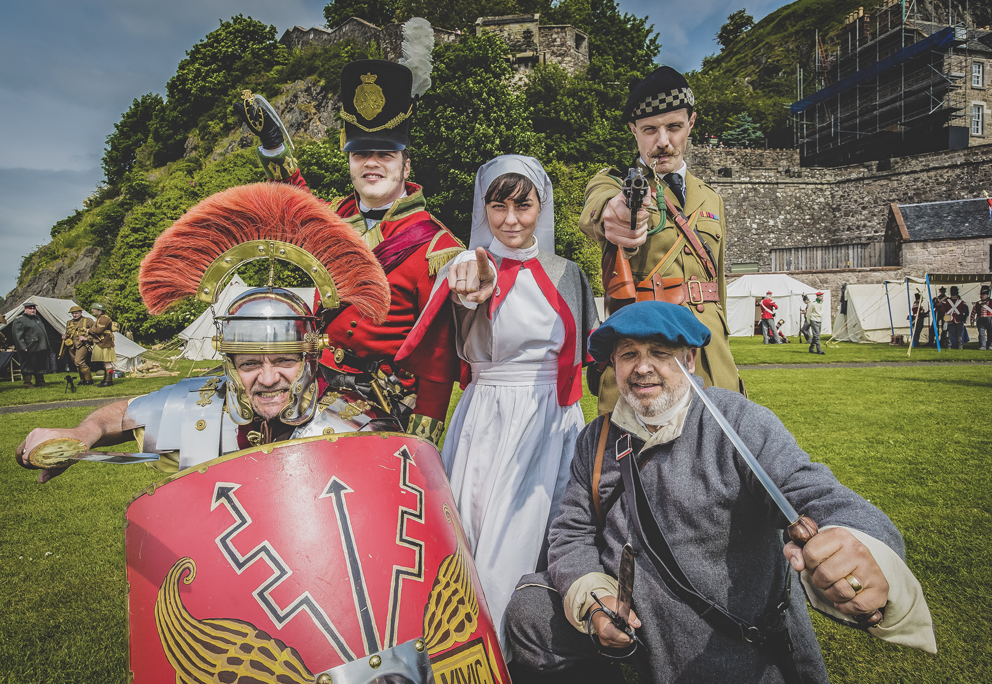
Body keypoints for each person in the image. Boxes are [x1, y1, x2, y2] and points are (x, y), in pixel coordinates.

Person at [504, 301, 936, 684]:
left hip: (728, 638)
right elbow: (570, 535)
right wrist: (597, 603)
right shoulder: (596, 440)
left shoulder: (739, 422)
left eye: (659, 352)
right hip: (637, 624)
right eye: (629, 354)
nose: (642, 367)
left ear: (689, 359)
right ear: (614, 367)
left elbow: (814, 490)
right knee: (530, 615)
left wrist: (862, 545)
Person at [16, 181, 391, 484]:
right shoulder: (204, 402)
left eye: (283, 360)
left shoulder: (357, 426)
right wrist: (83, 434)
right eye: (248, 363)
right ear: (227, 363)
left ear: (310, 357)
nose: (267, 378)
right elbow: (116, 416)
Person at [397, 156, 599, 649]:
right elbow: (468, 288)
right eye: (498, 205)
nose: (510, 219)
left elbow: (593, 348)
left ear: (541, 207)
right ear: (483, 208)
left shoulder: (568, 273)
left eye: (523, 205)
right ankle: (479, 649)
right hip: (491, 417)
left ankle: (545, 640)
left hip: (554, 419)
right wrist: (467, 278)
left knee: (554, 528)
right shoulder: (470, 267)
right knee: (486, 535)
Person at [234, 24, 462, 444]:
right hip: (315, 382)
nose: (371, 164)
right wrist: (273, 147)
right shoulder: (337, 218)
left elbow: (438, 359)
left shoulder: (438, 248)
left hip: (384, 404)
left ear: (406, 165)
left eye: (385, 154)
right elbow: (294, 199)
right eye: (361, 153)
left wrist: (420, 442)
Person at [578, 66, 741, 412]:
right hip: (648, 360)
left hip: (713, 360)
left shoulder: (710, 198)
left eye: (674, 127)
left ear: (691, 123)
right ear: (633, 131)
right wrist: (617, 212)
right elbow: (600, 209)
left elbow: (719, 286)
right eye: (650, 129)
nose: (663, 141)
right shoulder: (613, 184)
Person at [11, 301, 51, 389]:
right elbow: (17, 335)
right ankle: (27, 383)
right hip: (29, 346)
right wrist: (22, 347)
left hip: (40, 345)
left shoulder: (37, 318)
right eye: (30, 308)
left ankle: (40, 381)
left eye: (34, 308)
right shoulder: (20, 319)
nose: (33, 310)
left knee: (40, 364)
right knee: (28, 365)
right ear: (25, 309)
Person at [61, 304, 95, 385]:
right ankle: (82, 380)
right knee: (76, 363)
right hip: (71, 346)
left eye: (76, 313)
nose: (74, 315)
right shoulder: (69, 323)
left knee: (79, 361)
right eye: (73, 313)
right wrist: (65, 336)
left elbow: (95, 332)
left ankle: (89, 380)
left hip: (82, 344)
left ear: (81, 312)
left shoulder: (88, 320)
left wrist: (87, 338)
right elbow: (68, 333)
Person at [87, 303, 117, 387]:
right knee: (105, 363)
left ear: (99, 310)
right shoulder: (100, 318)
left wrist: (89, 331)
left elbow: (99, 330)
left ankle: (108, 380)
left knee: (107, 363)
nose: (92, 310)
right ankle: (106, 380)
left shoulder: (104, 319)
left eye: (94, 309)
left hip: (105, 343)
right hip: (103, 343)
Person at [970, 285, 992, 350]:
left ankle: (990, 345)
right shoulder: (977, 303)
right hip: (980, 319)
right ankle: (983, 346)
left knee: (990, 333)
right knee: (981, 334)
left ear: (987, 295)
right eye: (981, 294)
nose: (981, 296)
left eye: (983, 294)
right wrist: (972, 320)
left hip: (990, 319)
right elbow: (973, 312)